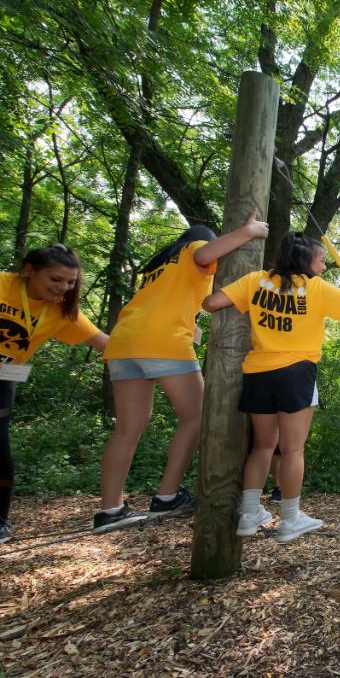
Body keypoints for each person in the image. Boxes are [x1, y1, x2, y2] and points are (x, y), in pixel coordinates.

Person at [204, 232, 340, 544]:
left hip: (258, 373)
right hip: (296, 373)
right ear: (305, 261)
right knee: (292, 449)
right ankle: (290, 519)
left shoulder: (255, 281)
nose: (324, 266)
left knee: (262, 446)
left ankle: (248, 513)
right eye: (321, 260)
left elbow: (211, 303)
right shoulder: (314, 288)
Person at [93, 214, 270, 533]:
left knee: (127, 430)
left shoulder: (160, 267)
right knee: (197, 415)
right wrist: (248, 231)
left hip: (123, 341)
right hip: (163, 339)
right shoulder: (192, 250)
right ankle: (167, 497)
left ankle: (110, 510)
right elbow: (204, 253)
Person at [0, 244, 108, 543]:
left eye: (70, 282)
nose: (63, 288)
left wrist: (159, 348)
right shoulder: (3, 284)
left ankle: (1, 520)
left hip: (4, 379)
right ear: (29, 270)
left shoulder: (61, 311)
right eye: (55, 279)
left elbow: (106, 343)